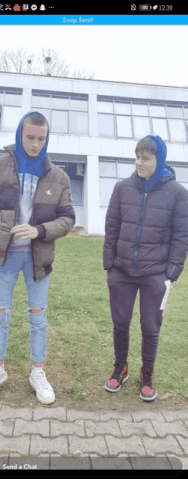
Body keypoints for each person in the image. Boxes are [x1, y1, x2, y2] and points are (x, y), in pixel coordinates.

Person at [0, 111, 75, 405]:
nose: (35, 144)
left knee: (38, 318)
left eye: (41, 139)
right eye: (30, 137)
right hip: (5, 255)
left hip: (38, 259)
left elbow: (68, 219)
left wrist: (40, 230)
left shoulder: (59, 176)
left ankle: (37, 372)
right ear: (20, 133)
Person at [103, 135, 188, 402]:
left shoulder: (178, 193)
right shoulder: (122, 188)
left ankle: (147, 373)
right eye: (138, 157)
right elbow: (112, 227)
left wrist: (171, 273)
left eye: (146, 158)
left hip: (156, 274)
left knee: (150, 328)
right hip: (122, 272)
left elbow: (181, 236)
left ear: (158, 160)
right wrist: (110, 265)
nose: (140, 163)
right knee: (120, 323)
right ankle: (121, 367)